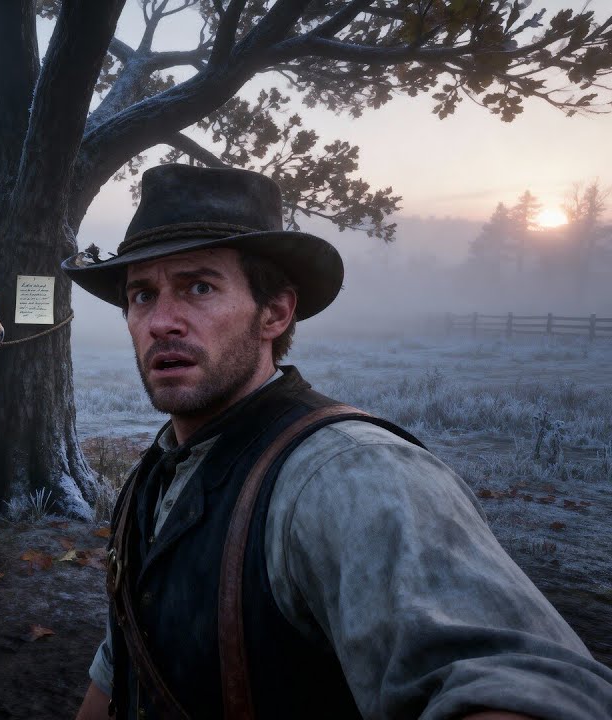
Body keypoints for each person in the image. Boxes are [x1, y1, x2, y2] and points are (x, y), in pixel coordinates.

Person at [61, 165, 612, 719]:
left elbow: (513, 683)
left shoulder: (352, 473)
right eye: (141, 295)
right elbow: (124, 663)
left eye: (198, 287)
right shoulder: (155, 473)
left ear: (274, 312)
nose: (161, 321)